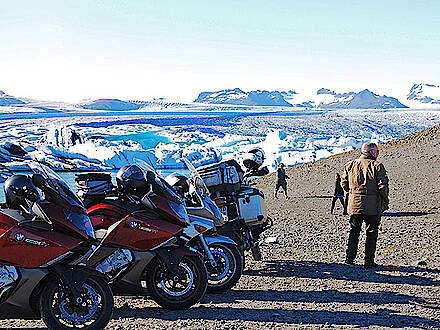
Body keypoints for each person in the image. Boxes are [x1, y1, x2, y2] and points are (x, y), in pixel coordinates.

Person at [341, 142, 389, 269]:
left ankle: (349, 258)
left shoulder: (350, 165)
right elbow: (383, 186)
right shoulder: (377, 166)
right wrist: (384, 200)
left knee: (354, 231)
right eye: (377, 151)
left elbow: (344, 184)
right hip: (372, 206)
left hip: (354, 205)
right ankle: (369, 261)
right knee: (371, 233)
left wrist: (354, 193)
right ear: (372, 152)